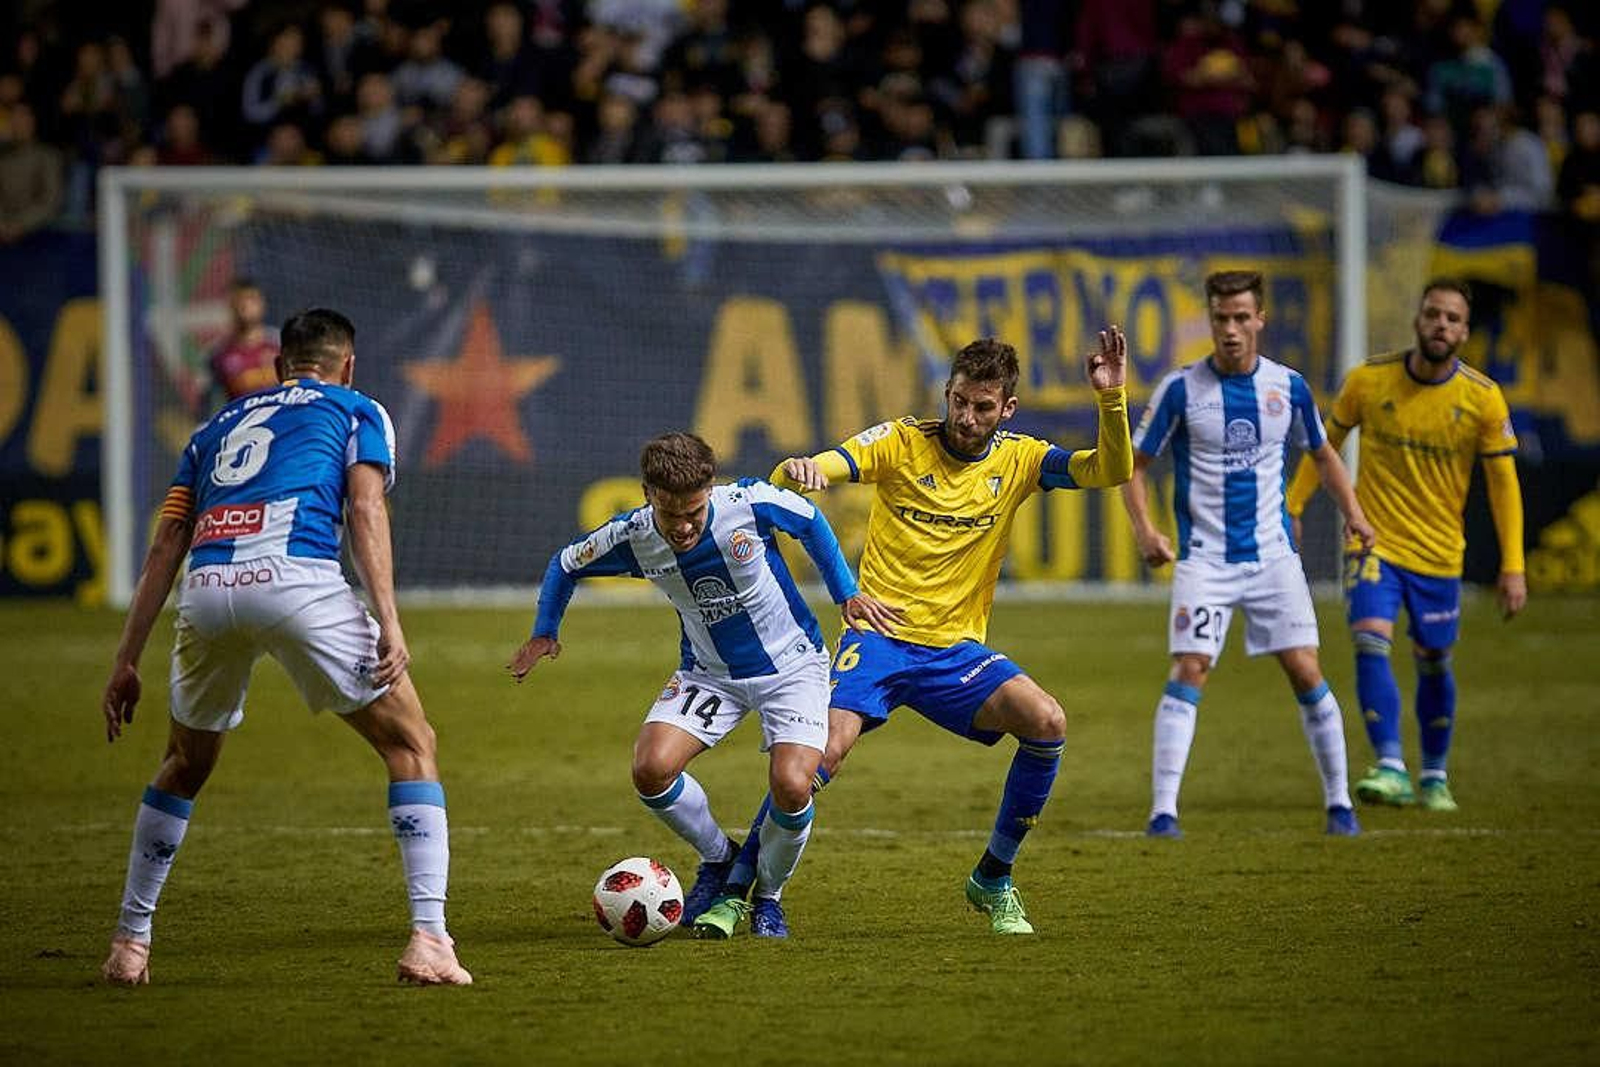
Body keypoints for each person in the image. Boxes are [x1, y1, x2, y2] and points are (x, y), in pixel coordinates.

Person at [100, 308, 472, 987]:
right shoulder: (356, 407)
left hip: (207, 587)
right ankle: (429, 938)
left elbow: (164, 543)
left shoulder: (214, 428)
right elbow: (364, 509)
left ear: (278, 365)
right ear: (348, 364)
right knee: (410, 741)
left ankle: (129, 941)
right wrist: (388, 618)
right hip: (296, 578)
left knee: (183, 763)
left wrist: (126, 659)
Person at [726, 331, 1133, 936]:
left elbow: (1109, 471)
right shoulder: (901, 442)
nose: (967, 418)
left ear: (1007, 409)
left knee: (1047, 722)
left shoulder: (1020, 459)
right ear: (946, 392)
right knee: (822, 753)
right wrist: (806, 469)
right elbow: (820, 466)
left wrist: (1113, 399)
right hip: (877, 641)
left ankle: (993, 877)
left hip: (954, 653)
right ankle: (740, 890)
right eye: (960, 402)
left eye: (983, 407)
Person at [506, 432, 899, 940]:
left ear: (710, 487)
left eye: (696, 511)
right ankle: (719, 858)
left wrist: (846, 592)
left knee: (793, 783)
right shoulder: (631, 535)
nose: (687, 526)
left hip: (793, 667)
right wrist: (545, 630)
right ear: (649, 494)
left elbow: (811, 521)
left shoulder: (748, 503)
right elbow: (565, 564)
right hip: (709, 674)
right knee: (650, 769)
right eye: (674, 516)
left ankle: (769, 898)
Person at [1120, 269, 1374, 840]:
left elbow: (1324, 455)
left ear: (1260, 318)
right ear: (1209, 320)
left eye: (1241, 318)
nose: (1231, 329)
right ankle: (1163, 812)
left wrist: (1354, 514)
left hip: (1272, 557)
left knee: (1305, 667)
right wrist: (1146, 531)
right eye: (1220, 318)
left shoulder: (1289, 387)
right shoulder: (1180, 390)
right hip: (1204, 560)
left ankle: (1339, 803)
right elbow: (1132, 467)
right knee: (1190, 668)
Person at [1285, 278, 1525, 812]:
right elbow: (1323, 446)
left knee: (1435, 660)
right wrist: (1293, 506)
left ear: (1464, 332)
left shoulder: (1482, 399)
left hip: (1440, 553)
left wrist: (1513, 565)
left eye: (1453, 319)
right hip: (1375, 542)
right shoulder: (1369, 382)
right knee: (1371, 640)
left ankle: (1435, 775)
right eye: (1433, 314)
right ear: (1418, 320)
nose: (1442, 325)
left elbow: (1504, 484)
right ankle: (1390, 764)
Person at [200, 279, 282, 412]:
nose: (245, 305)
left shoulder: (279, 345)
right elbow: (207, 400)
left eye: (251, 299)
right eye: (239, 300)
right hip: (241, 427)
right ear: (230, 306)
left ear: (262, 304)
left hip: (280, 422)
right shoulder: (218, 354)